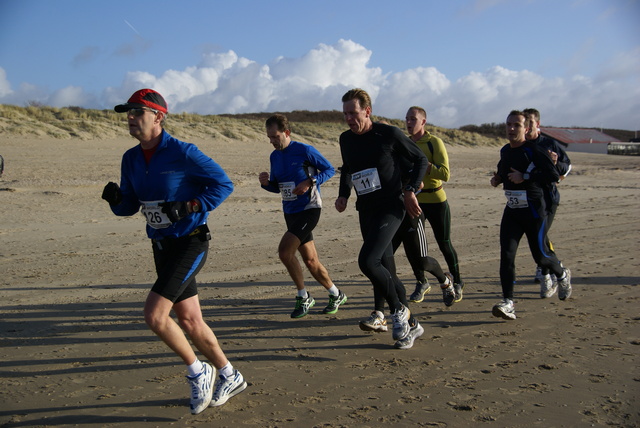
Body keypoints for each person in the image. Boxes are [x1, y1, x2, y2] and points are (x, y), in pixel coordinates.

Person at [101, 89, 246, 414]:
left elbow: (223, 184)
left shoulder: (184, 153)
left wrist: (192, 205)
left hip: (191, 241)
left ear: (158, 117)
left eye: (138, 112)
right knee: (191, 320)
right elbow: (129, 206)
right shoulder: (131, 158)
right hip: (161, 245)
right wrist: (115, 200)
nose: (131, 118)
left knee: (155, 315)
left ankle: (198, 370)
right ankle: (229, 373)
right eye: (128, 112)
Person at [335, 88, 429, 349]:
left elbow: (421, 160)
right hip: (366, 209)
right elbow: (348, 170)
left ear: (367, 111)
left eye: (353, 113)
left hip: (392, 207)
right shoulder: (346, 139)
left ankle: (398, 310)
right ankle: (412, 325)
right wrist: (343, 195)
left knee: (368, 261)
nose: (349, 119)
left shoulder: (388, 134)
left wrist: (410, 190)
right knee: (385, 269)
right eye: (345, 114)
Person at [258, 114, 346, 318]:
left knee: (284, 252)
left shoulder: (304, 150)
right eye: (269, 137)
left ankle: (303, 296)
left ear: (286, 133)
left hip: (309, 208)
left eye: (275, 136)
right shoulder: (275, 156)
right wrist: (266, 184)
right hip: (290, 211)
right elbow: (278, 187)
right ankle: (336, 293)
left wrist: (310, 182)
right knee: (311, 260)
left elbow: (330, 170)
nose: (272, 141)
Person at [489, 110, 572, 320]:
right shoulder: (505, 150)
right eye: (508, 124)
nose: (511, 128)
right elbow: (503, 168)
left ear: (526, 129)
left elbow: (553, 175)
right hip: (512, 210)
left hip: (534, 211)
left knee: (541, 256)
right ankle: (508, 302)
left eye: (516, 125)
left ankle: (561, 273)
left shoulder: (535, 150)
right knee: (506, 256)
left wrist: (525, 176)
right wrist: (497, 178)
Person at [405, 106, 463, 305]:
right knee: (413, 247)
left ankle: (458, 281)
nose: (409, 122)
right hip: (415, 201)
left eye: (413, 119)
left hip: (436, 200)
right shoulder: (404, 143)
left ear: (423, 122)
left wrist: (425, 165)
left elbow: (445, 174)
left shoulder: (433, 142)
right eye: (407, 119)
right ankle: (422, 282)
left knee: (444, 243)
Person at [523, 108, 572, 297]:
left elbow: (566, 168)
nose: (527, 129)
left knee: (540, 238)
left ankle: (548, 273)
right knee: (538, 238)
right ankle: (546, 267)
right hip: (527, 199)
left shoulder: (549, 143)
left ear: (537, 125)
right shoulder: (519, 144)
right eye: (524, 124)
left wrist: (556, 164)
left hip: (548, 198)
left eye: (531, 124)